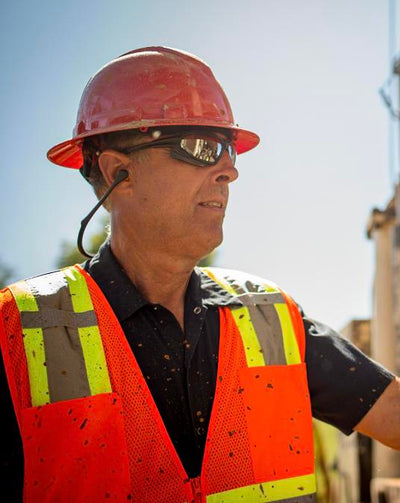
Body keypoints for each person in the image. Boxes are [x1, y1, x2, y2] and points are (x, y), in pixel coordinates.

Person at [0, 46, 399, 503]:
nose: (228, 170)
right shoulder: (19, 328)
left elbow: (393, 412)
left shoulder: (270, 317)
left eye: (228, 151)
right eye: (202, 147)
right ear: (118, 172)